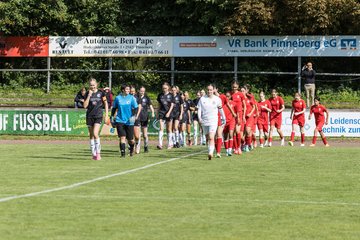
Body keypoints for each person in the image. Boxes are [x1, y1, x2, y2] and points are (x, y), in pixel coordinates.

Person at [197, 84, 225, 160]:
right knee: (207, 138)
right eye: (208, 90)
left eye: (211, 90)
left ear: (213, 90)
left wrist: (223, 118)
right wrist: (199, 118)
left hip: (213, 121)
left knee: (211, 137)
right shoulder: (202, 99)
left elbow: (220, 109)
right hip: (204, 121)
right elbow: (199, 109)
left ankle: (211, 153)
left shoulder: (217, 99)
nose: (209, 91)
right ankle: (210, 150)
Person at [83, 78, 109, 160]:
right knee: (91, 135)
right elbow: (85, 106)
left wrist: (107, 115)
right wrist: (89, 95)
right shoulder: (87, 93)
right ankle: (93, 154)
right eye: (91, 85)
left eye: (94, 85)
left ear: (96, 84)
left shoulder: (101, 93)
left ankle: (98, 153)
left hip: (98, 115)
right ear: (89, 85)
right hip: (89, 116)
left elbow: (106, 104)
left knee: (95, 133)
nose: (92, 87)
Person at [111, 84, 139, 157]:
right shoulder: (117, 98)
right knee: (122, 137)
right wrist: (111, 117)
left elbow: (136, 108)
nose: (128, 91)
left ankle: (132, 148)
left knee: (130, 139)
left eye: (129, 89)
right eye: (127, 89)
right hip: (119, 120)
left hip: (129, 121)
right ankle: (122, 154)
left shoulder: (131, 98)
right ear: (123, 90)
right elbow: (114, 108)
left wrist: (134, 115)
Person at [214, 86, 236, 158]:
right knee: (215, 136)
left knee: (228, 133)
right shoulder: (209, 98)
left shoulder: (222, 97)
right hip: (214, 118)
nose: (212, 91)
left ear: (216, 89)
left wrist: (233, 113)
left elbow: (228, 104)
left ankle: (226, 150)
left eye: (213, 89)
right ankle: (218, 150)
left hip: (223, 119)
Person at [134, 86, 155, 153]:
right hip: (137, 117)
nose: (142, 92)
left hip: (144, 117)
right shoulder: (135, 97)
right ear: (139, 90)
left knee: (145, 135)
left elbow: (150, 106)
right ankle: (138, 148)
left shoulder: (146, 98)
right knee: (138, 134)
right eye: (141, 91)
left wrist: (153, 112)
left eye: (143, 91)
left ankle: (146, 146)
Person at [157, 82, 175, 150]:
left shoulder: (171, 95)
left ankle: (170, 144)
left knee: (169, 129)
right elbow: (159, 105)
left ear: (168, 88)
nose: (164, 89)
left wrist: (168, 113)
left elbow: (172, 105)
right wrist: (157, 113)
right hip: (161, 113)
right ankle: (160, 144)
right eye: (163, 88)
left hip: (169, 113)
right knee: (161, 128)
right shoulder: (160, 95)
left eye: (165, 88)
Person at [231, 81, 246, 154]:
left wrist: (243, 116)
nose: (234, 88)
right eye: (233, 87)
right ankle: (235, 148)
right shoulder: (231, 94)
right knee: (233, 132)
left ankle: (239, 147)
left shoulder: (240, 94)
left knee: (237, 131)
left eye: (235, 87)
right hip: (232, 114)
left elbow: (244, 105)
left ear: (238, 87)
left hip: (239, 114)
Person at [241, 86, 256, 152]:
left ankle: (247, 145)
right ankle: (246, 144)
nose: (242, 92)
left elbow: (254, 107)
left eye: (243, 91)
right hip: (242, 117)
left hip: (249, 117)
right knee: (243, 134)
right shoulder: (240, 99)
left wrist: (250, 113)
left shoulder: (249, 98)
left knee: (247, 131)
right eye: (241, 91)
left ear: (246, 91)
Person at [130, 86, 143, 153]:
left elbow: (140, 107)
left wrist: (137, 116)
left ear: (135, 91)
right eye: (131, 91)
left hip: (136, 117)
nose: (132, 93)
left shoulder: (138, 97)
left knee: (137, 136)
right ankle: (131, 148)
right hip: (129, 118)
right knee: (130, 135)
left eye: (133, 91)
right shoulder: (127, 97)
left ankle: (137, 145)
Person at [223, 92, 236, 156]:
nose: (227, 98)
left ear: (230, 97)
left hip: (232, 120)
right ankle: (227, 150)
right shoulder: (223, 104)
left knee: (231, 134)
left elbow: (237, 112)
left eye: (228, 96)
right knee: (225, 137)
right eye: (226, 96)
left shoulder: (233, 103)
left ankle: (230, 150)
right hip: (225, 121)